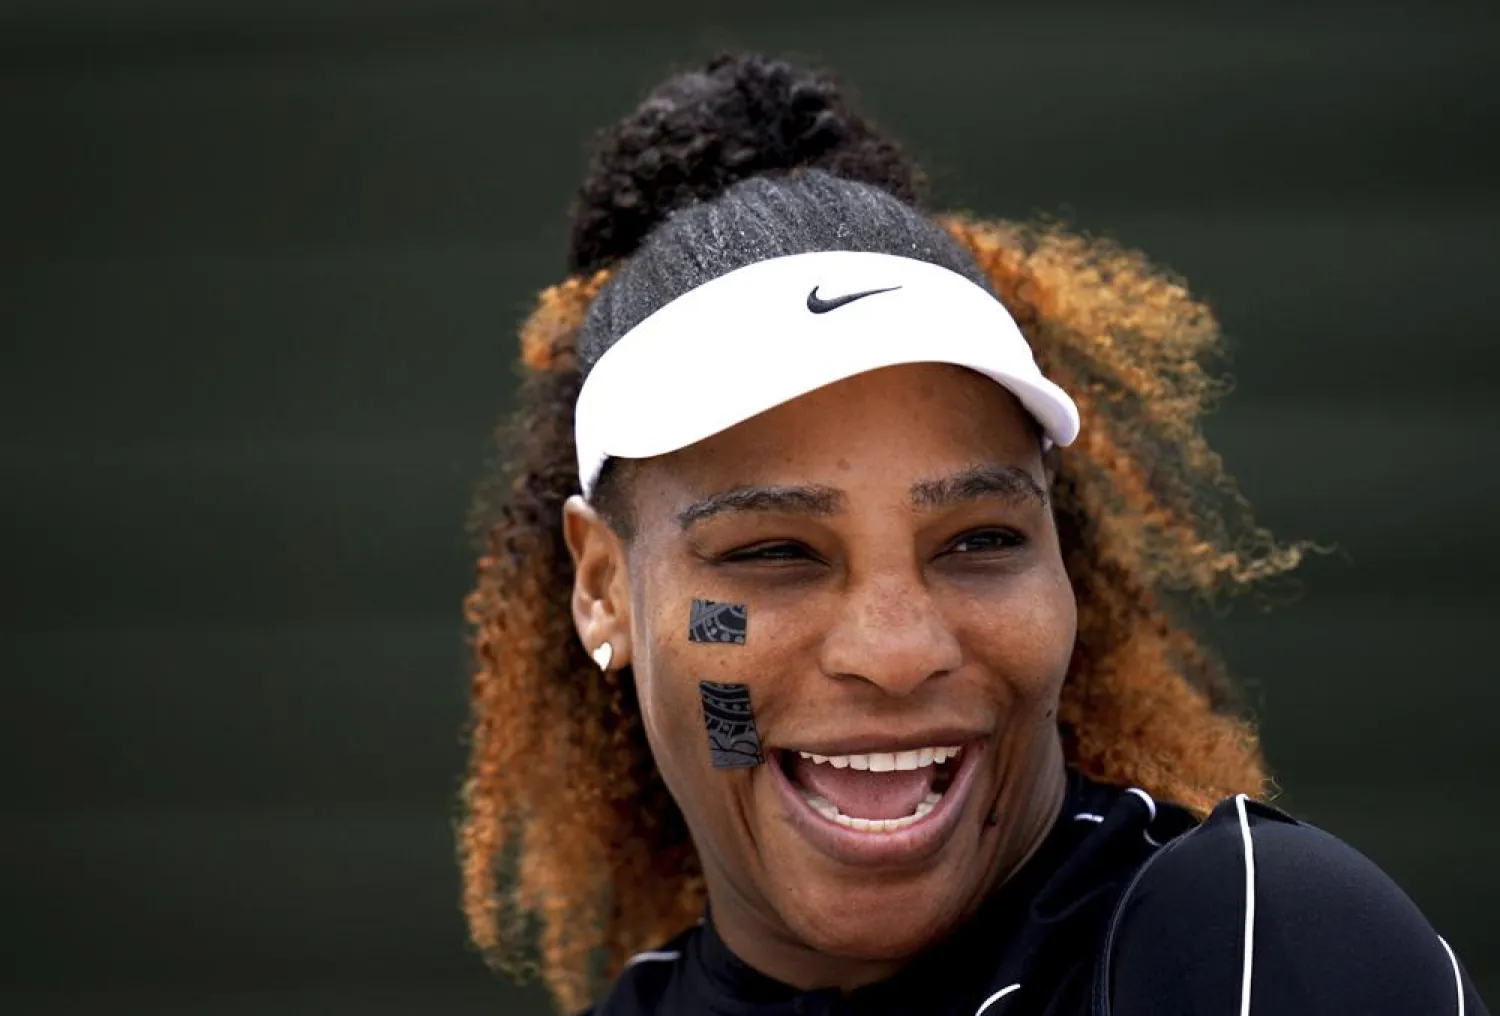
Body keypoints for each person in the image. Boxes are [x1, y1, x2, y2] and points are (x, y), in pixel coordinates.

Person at [458, 53, 1488, 1016]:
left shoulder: (1248, 943)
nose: (898, 649)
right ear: (601, 584)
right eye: (774, 552)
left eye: (978, 540)